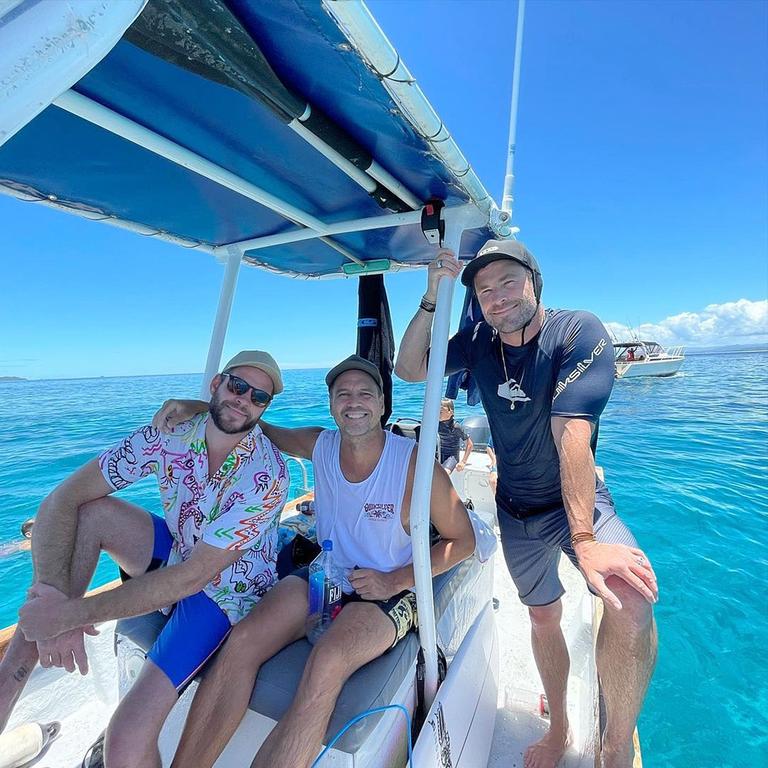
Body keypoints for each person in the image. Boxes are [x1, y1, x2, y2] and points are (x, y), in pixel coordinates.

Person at [395, 241, 658, 768]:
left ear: (534, 282)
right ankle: (559, 728)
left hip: (572, 506)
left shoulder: (576, 331)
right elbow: (409, 368)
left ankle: (610, 750)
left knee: (630, 604)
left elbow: (573, 434)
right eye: (485, 290)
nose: (496, 298)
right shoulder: (478, 343)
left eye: (508, 283)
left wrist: (585, 540)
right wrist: (431, 295)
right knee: (542, 618)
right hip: (514, 509)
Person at [154, 354, 477, 768]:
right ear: (331, 404)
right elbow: (260, 426)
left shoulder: (415, 463)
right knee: (242, 642)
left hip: (389, 590)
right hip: (326, 575)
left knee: (325, 664)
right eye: (343, 393)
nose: (353, 401)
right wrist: (200, 406)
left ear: (382, 403)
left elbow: (462, 541)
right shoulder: (319, 445)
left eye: (365, 393)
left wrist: (394, 580)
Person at [0, 351, 289, 768]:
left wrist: (69, 615)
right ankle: (9, 687)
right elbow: (62, 498)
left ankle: (52, 626)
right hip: (180, 553)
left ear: (264, 409)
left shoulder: (268, 474)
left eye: (258, 397)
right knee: (92, 512)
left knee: (124, 740)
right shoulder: (167, 435)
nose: (243, 399)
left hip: (226, 593)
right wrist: (51, 602)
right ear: (216, 385)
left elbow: (193, 579)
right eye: (237, 385)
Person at [438, 398, 473, 472]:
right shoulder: (436, 425)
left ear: (450, 412)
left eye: (441, 410)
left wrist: (463, 462)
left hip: (452, 457)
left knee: (445, 473)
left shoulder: (456, 427)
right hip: (439, 454)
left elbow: (470, 444)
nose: (438, 412)